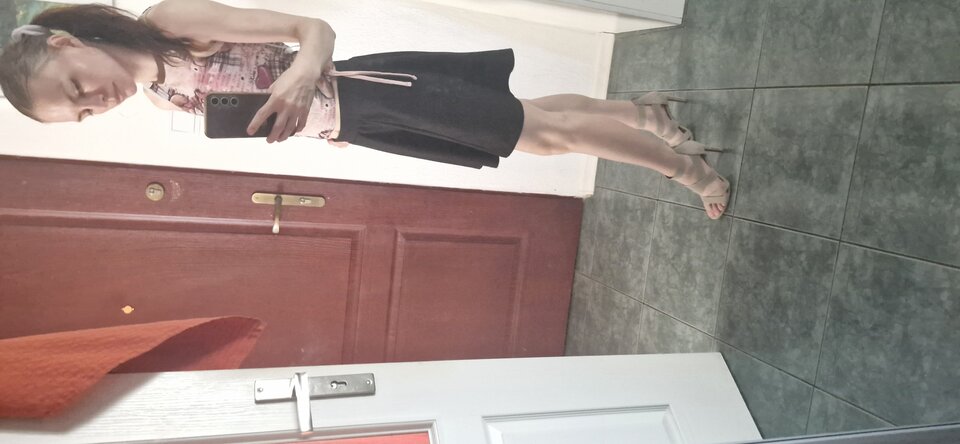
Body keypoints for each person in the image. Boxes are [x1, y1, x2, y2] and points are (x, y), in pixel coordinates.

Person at [0, 0, 730, 219]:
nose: (96, 103)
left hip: (370, 87)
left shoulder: (170, 22)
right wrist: (315, 130)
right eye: (82, 116)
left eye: (75, 88)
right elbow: (272, 99)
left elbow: (310, 31)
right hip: (360, 124)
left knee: (543, 137)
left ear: (67, 42)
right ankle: (642, 113)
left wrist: (300, 83)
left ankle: (690, 171)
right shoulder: (160, 92)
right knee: (529, 117)